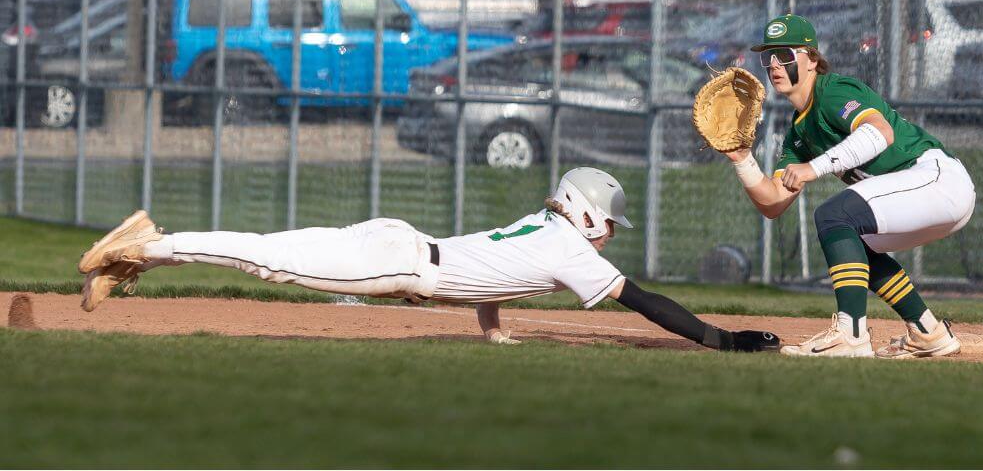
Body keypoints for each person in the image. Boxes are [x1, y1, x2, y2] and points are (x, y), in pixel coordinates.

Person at [78, 166, 779, 354]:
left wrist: (491, 331)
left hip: (405, 244)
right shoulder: (569, 246)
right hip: (404, 265)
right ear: (588, 209)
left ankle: (144, 252)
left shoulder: (543, 224)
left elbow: (492, 271)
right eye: (610, 223)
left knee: (272, 253)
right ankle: (144, 247)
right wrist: (724, 339)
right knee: (270, 263)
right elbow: (645, 301)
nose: (610, 235)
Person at [719, 14, 976, 358]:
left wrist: (815, 167)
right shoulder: (799, 133)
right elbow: (773, 203)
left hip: (938, 179)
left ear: (811, 59)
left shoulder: (833, 90)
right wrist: (743, 161)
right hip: (924, 196)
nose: (775, 65)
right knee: (850, 240)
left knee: (834, 215)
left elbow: (879, 133)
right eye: (769, 57)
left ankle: (850, 334)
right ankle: (928, 332)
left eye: (785, 54)